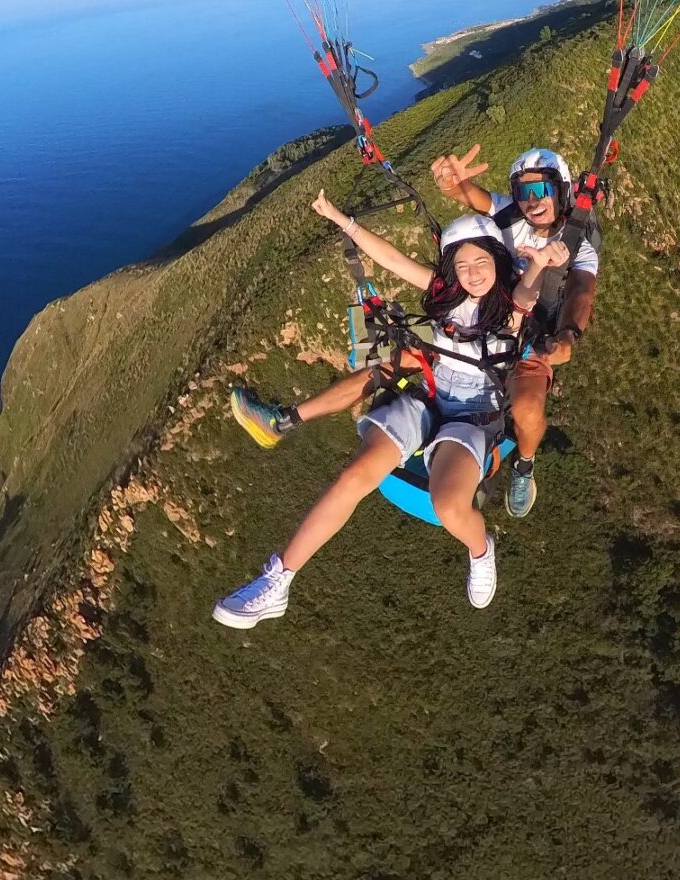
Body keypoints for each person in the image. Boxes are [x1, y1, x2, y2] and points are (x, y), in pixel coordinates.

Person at [213, 195, 566, 628]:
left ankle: (480, 550)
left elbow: (527, 292)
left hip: (472, 415)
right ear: (451, 271)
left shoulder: (507, 310)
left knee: (450, 507)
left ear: (496, 260)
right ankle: (278, 581)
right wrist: (343, 221)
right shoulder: (445, 298)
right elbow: (393, 259)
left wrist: (541, 264)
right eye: (462, 266)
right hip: (429, 399)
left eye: (481, 263)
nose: (472, 274)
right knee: (354, 474)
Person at [430, 145, 599, 520]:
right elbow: (471, 195)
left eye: (540, 191)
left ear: (562, 191)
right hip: (484, 323)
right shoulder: (510, 214)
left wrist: (568, 336)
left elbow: (581, 292)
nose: (531, 202)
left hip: (528, 338)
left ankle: (524, 464)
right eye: (524, 192)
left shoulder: (579, 248)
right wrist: (451, 185)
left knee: (526, 408)